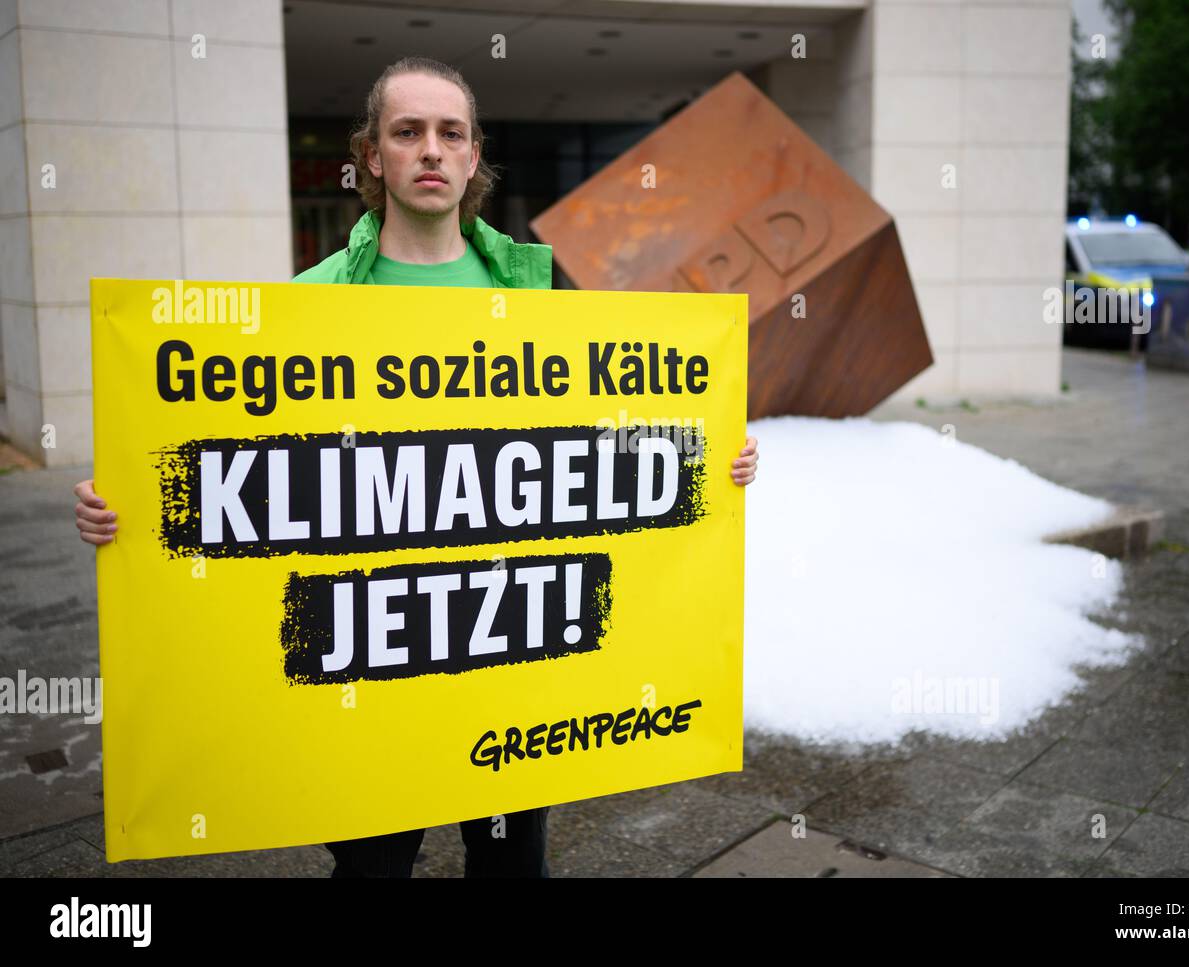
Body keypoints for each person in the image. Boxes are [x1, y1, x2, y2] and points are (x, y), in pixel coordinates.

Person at [73, 56, 759, 877]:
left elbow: (599, 444)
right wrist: (129, 505)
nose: (430, 150)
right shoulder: (312, 302)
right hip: (373, 671)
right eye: (408, 133)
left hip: (509, 662)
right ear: (372, 156)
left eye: (450, 133)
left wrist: (708, 456)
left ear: (473, 158)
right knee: (370, 869)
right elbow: (235, 458)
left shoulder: (534, 299)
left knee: (511, 865)